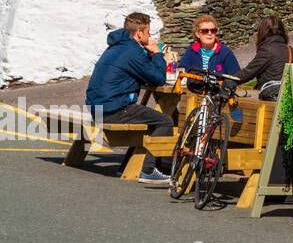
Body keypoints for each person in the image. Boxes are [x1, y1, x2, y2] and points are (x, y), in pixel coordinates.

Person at [84, 13, 178, 186]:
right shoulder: (132, 51)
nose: (150, 36)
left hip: (98, 107)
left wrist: (148, 57)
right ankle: (149, 170)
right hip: (113, 109)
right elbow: (157, 78)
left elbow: (139, 73)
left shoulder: (118, 46)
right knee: (165, 120)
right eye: (148, 32)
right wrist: (157, 54)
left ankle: (127, 164)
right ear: (139, 33)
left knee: (147, 117)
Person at [235, 14, 293, 100]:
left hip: (270, 99)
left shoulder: (268, 50)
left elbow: (249, 72)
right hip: (286, 97)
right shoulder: (290, 50)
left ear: (263, 32)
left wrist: (229, 80)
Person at [176, 14, 242, 82]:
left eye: (213, 30)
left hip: (219, 91)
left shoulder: (225, 52)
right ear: (198, 34)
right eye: (205, 31)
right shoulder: (191, 50)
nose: (210, 33)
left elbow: (236, 76)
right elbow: (182, 70)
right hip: (195, 89)